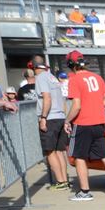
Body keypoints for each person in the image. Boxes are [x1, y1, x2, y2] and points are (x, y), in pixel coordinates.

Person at [63, 51, 105, 201]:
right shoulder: (97, 78)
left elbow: (76, 106)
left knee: (79, 157)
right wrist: (95, 106)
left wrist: (67, 120)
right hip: (98, 121)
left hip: (82, 122)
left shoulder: (75, 80)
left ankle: (84, 191)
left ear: (71, 65)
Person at [35, 60, 70, 190]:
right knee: (60, 151)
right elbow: (63, 100)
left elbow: (47, 97)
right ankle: (65, 181)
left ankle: (60, 182)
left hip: (50, 117)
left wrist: (43, 117)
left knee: (50, 152)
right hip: (60, 116)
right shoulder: (53, 77)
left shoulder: (41, 78)